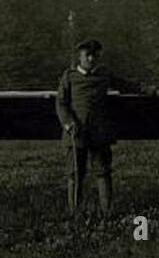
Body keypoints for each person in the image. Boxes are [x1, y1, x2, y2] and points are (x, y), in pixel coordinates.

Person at [55, 38, 142, 221]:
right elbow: (61, 103)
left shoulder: (104, 75)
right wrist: (69, 123)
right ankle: (75, 213)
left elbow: (127, 86)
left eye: (95, 55)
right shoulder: (69, 76)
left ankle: (106, 213)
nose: (91, 59)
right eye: (88, 55)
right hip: (76, 134)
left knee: (103, 173)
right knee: (75, 174)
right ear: (80, 56)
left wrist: (151, 90)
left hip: (100, 133)